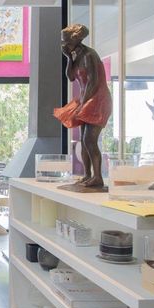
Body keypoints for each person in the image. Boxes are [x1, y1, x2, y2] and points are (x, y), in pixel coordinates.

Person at [53, 24, 112, 191]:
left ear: (75, 40)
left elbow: (93, 82)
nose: (63, 45)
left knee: (89, 140)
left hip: (97, 100)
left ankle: (98, 177)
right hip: (86, 99)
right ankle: (88, 175)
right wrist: (68, 58)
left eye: (65, 41)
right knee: (83, 140)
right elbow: (71, 77)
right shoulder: (77, 56)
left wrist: (84, 104)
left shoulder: (89, 55)